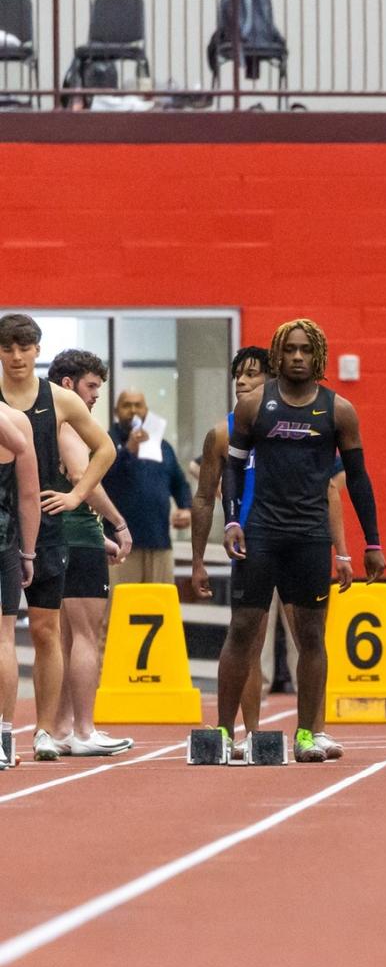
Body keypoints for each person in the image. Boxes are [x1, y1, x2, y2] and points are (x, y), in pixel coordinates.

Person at [216, 318, 386, 762]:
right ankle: (220, 731)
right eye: (289, 349)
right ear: (277, 355)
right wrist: (232, 520)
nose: (296, 357)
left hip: (310, 536)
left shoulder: (339, 410)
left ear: (318, 357)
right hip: (261, 533)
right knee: (242, 631)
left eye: (305, 350)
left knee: (311, 638)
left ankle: (308, 734)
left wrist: (372, 542)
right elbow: (232, 468)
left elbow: (359, 480)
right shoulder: (255, 406)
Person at [191, 346, 351, 760]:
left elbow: (332, 489)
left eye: (253, 375)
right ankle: (251, 732)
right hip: (248, 543)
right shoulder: (223, 433)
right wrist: (196, 559)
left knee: (309, 636)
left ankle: (313, 730)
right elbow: (205, 497)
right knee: (249, 640)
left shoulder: (303, 423)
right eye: (238, 376)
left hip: (301, 539)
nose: (243, 383)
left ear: (274, 378)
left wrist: (342, 549)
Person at [0, 313, 117, 762]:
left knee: (47, 630)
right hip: (2, 524)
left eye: (24, 348)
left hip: (45, 527)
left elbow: (104, 449)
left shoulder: (60, 399)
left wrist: (76, 495)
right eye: (8, 348)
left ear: (36, 350)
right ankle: (6, 728)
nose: (16, 357)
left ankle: (46, 731)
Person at [48, 350, 134, 757]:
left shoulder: (43, 419)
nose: (97, 394)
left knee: (66, 640)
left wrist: (102, 536)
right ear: (68, 385)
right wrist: (117, 521)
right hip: (76, 537)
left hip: (68, 536)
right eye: (92, 386)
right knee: (85, 638)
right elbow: (83, 478)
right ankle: (83, 729)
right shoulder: (68, 424)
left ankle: (62, 727)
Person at [103, 388, 192, 587]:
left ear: (146, 410)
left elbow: (179, 482)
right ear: (117, 411)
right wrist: (128, 452)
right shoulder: (105, 442)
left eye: (138, 405)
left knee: (159, 607)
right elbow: (103, 482)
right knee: (121, 610)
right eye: (127, 405)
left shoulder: (162, 446)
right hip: (120, 546)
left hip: (159, 542)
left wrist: (185, 508)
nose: (133, 410)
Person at [0, 403, 40, 770]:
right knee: (3, 637)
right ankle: (3, 736)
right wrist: (27, 552)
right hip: (4, 541)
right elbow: (29, 495)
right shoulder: (14, 422)